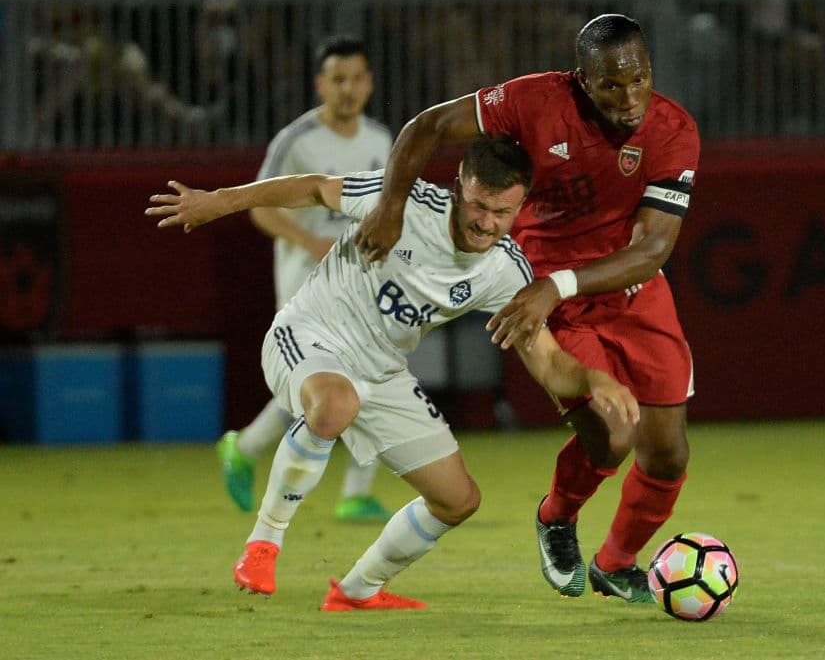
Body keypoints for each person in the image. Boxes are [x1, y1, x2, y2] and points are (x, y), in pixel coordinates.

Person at [145, 135, 640, 611]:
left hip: (381, 373)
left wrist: (592, 379)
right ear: (460, 185)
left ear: (520, 206)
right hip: (310, 334)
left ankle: (358, 590)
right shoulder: (403, 203)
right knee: (335, 402)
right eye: (479, 207)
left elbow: (548, 360)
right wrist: (219, 201)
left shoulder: (505, 272)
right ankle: (263, 544)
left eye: (503, 213)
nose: (487, 224)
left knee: (457, 500)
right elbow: (316, 186)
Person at [353, 14, 699, 604]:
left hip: (626, 289)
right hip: (540, 293)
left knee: (667, 454)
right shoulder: (533, 101)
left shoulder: (673, 130)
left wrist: (560, 284)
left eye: (639, 79)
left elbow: (652, 249)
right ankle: (557, 517)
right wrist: (390, 205)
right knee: (612, 437)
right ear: (582, 80)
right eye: (612, 85)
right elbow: (428, 125)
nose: (630, 98)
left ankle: (617, 563)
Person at [216, 35, 396, 522]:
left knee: (372, 374)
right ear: (321, 84)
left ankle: (354, 490)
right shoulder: (296, 141)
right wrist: (307, 239)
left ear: (369, 82)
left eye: (357, 78)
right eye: (338, 79)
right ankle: (247, 449)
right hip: (305, 282)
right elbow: (261, 210)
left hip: (362, 281)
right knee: (317, 386)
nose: (348, 89)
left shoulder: (382, 140)